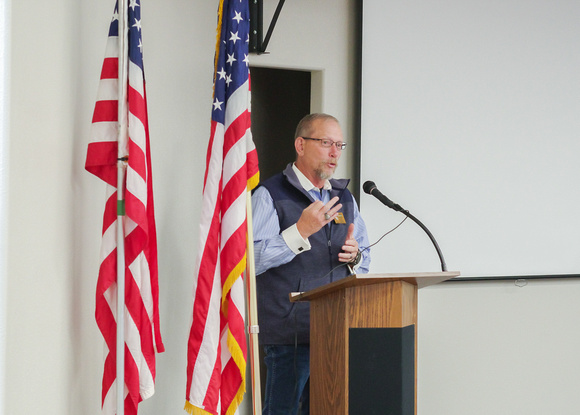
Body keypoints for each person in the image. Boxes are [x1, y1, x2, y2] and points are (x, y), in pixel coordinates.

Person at [251, 113, 371, 415]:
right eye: (326, 143)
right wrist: (300, 232)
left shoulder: (344, 197)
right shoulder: (270, 194)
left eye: (339, 145)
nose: (335, 153)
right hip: (289, 334)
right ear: (300, 145)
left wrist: (355, 256)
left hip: (336, 329)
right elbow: (251, 261)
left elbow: (365, 256)